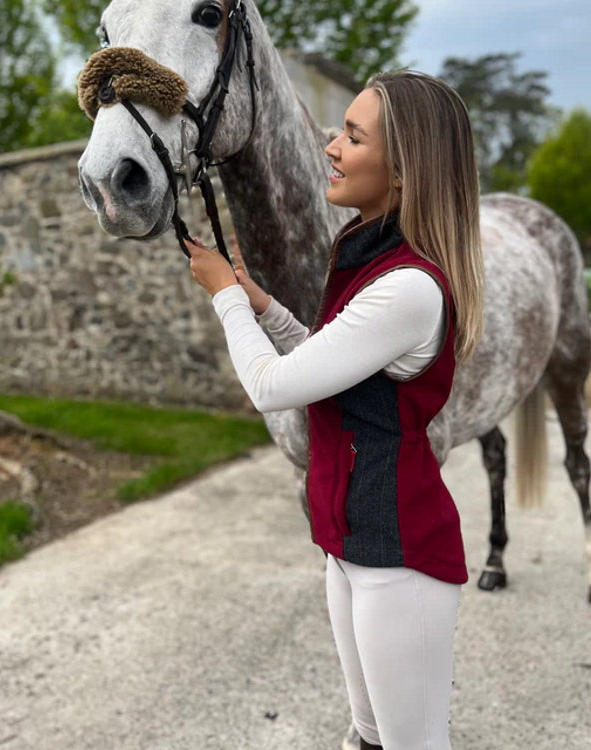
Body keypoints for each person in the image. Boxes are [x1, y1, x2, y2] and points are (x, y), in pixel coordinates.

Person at [187, 70, 484, 750]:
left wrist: (223, 298)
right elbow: (329, 363)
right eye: (338, 130)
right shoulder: (369, 260)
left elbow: (272, 386)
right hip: (348, 545)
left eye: (353, 136)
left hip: (398, 557)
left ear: (405, 173)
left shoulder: (408, 286)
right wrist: (261, 305)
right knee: (367, 735)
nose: (331, 146)